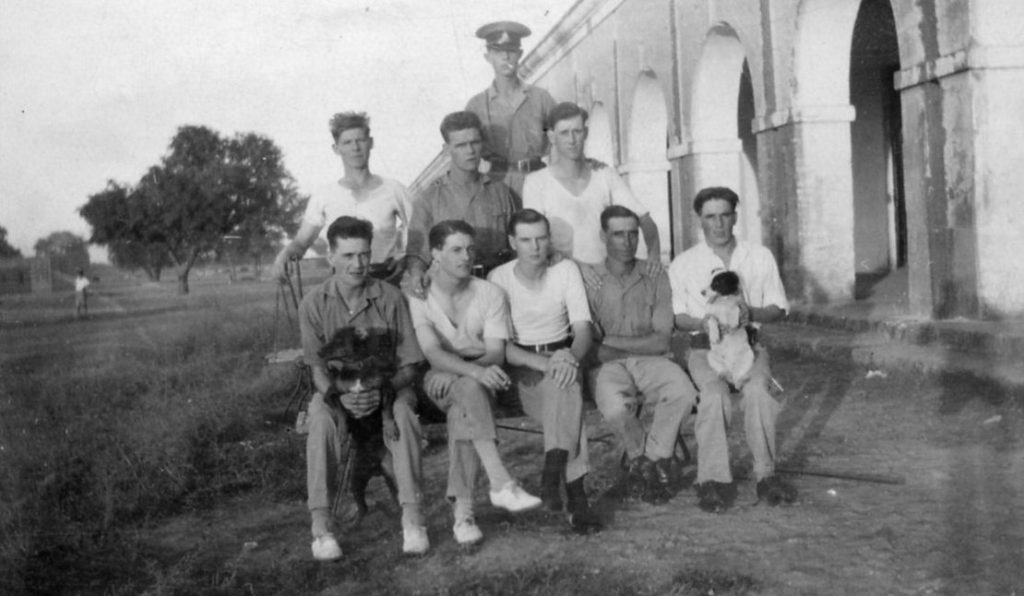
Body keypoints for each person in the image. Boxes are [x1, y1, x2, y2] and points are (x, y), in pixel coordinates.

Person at [298, 216, 427, 560]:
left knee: (403, 415)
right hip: (338, 391)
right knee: (321, 421)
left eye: (364, 255)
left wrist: (380, 389)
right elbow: (316, 369)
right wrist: (339, 399)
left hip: (387, 387)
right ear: (331, 257)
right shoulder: (314, 303)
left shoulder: (390, 297)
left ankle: (413, 519)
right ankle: (322, 526)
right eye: (348, 255)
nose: (357, 264)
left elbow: (410, 364)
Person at [408, 220, 542, 546]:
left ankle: (464, 516)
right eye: (456, 249)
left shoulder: (489, 293)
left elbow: (495, 352)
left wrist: (469, 373)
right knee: (468, 390)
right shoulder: (419, 296)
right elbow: (432, 351)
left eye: (470, 248)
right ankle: (499, 482)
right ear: (435, 253)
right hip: (435, 383)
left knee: (464, 406)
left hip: (474, 381)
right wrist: (472, 373)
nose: (466, 256)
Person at [667, 186, 796, 513]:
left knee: (758, 394)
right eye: (711, 217)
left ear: (735, 216)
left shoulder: (759, 255)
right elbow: (678, 317)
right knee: (713, 397)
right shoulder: (684, 263)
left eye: (725, 215)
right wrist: (709, 319)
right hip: (704, 350)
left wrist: (748, 314)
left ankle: (766, 475)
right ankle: (712, 481)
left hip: (748, 348)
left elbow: (778, 308)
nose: (719, 224)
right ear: (700, 220)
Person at [488, 209, 603, 534]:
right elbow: (499, 345)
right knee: (567, 396)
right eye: (526, 240)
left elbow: (583, 330)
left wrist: (568, 357)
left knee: (566, 388)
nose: (535, 247)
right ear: (513, 242)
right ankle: (576, 498)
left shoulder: (565, 270)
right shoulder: (500, 278)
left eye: (541, 238)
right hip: (522, 366)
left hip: (562, 358)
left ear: (548, 238)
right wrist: (546, 363)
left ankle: (554, 473)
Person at [585, 205, 698, 504]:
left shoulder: (655, 275)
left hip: (652, 360)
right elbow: (590, 344)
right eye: (618, 234)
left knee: (683, 392)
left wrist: (609, 340)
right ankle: (643, 460)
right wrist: (613, 346)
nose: (627, 241)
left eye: (633, 234)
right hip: (607, 366)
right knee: (616, 406)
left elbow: (661, 342)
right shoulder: (589, 280)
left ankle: (653, 459)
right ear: (603, 236)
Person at [522, 102, 661, 282]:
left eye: (577, 131)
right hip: (559, 277)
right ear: (551, 137)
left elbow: (644, 219)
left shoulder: (605, 175)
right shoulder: (536, 182)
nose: (572, 140)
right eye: (564, 133)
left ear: (585, 133)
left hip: (604, 277)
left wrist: (654, 256)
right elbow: (535, 238)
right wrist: (578, 268)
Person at [273, 112, 412, 282]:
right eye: (347, 142)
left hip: (385, 280)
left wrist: (407, 257)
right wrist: (285, 254)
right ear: (336, 149)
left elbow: (417, 229)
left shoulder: (393, 189)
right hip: (343, 284)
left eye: (360, 140)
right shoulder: (324, 195)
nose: (355, 148)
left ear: (370, 143)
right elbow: (302, 242)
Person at [404, 111, 518, 297]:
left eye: (475, 142)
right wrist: (416, 274)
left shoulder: (500, 192)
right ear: (447, 149)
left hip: (498, 286)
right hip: (452, 290)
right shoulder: (429, 198)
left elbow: (517, 243)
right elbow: (417, 253)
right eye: (461, 145)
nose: (470, 151)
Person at [466, 21, 557, 196]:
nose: (505, 57)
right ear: (488, 57)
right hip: (496, 184)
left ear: (520, 54)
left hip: (539, 181)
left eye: (511, 51)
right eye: (498, 51)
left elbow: (560, 140)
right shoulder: (475, 106)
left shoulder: (541, 98)